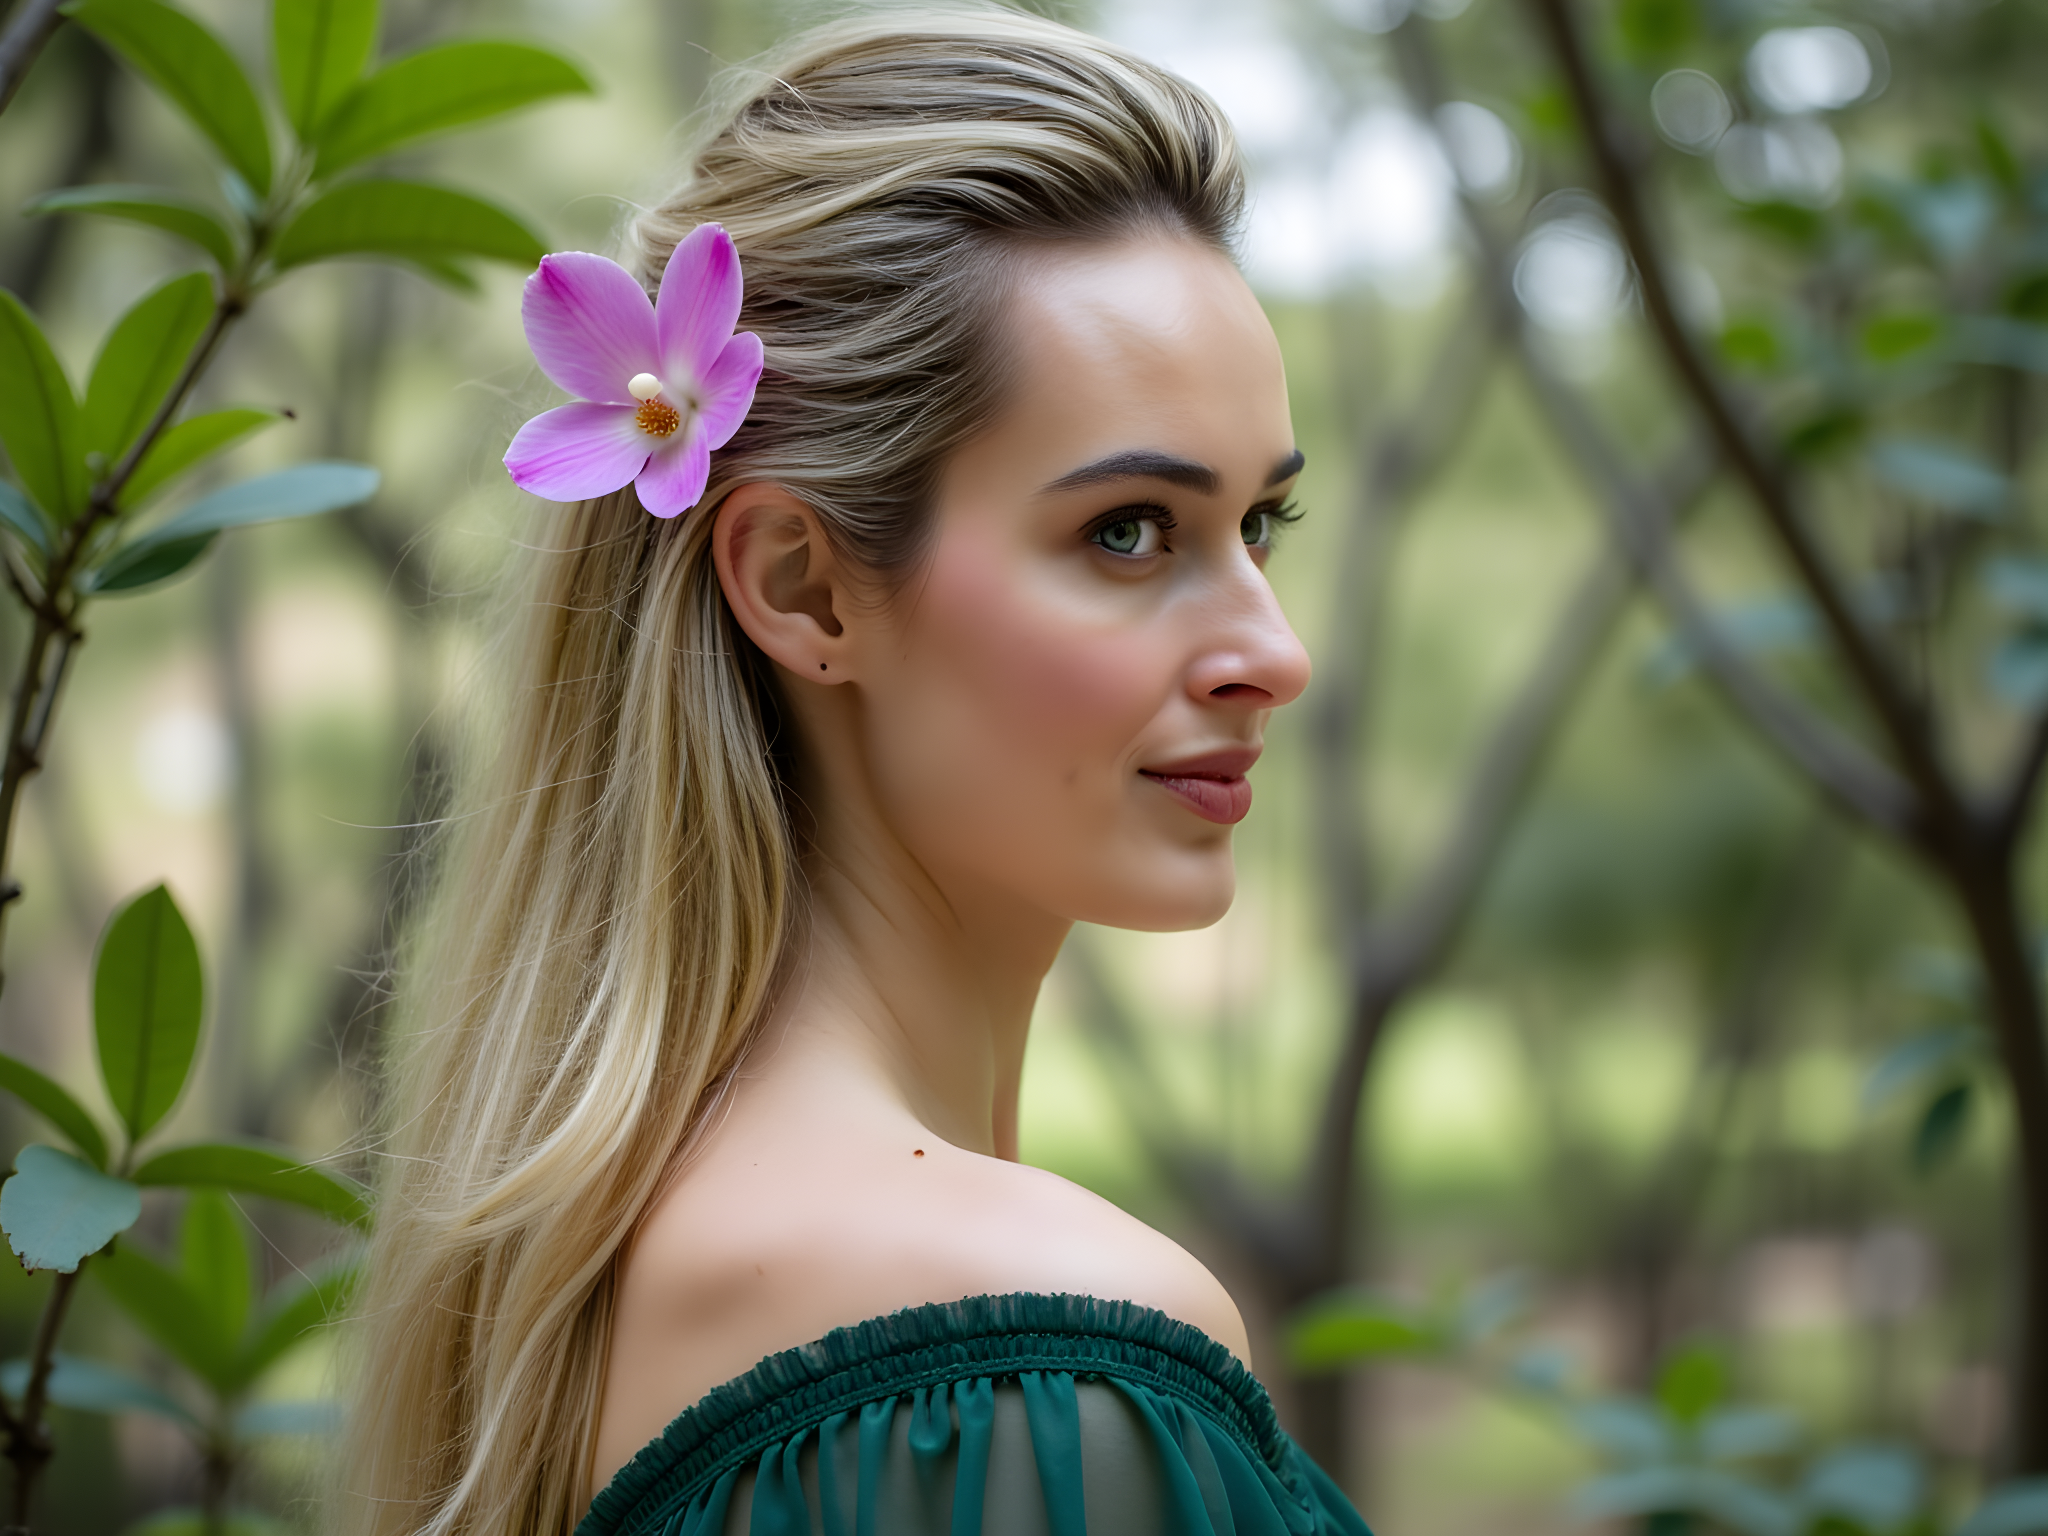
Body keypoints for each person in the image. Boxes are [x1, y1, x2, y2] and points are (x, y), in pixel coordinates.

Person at [341, 9, 1369, 1534]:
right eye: (1130, 530)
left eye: (1258, 527)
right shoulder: (1037, 1358)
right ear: (806, 587)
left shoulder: (598, 1277)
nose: (1270, 650)